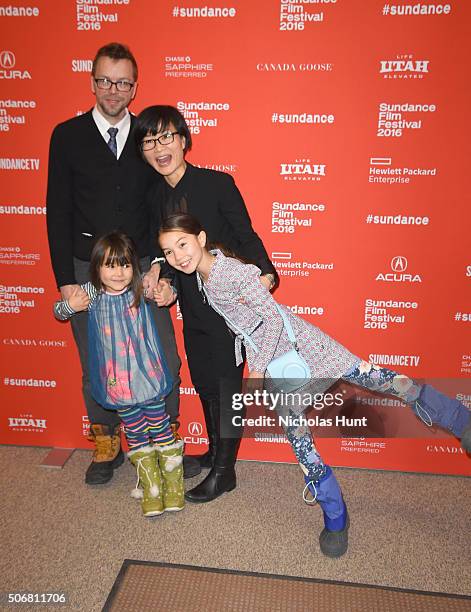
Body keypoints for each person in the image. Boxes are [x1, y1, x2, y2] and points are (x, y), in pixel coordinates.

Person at [158, 213, 471, 557]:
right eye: (170, 252)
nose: (178, 256)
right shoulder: (205, 276)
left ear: (200, 238)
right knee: (300, 440)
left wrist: (256, 373)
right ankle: (336, 516)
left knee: (381, 380)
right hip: (279, 365)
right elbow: (249, 324)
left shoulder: (228, 272)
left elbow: (272, 317)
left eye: (182, 244)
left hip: (302, 346)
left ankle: (459, 419)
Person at [46, 43, 185, 485]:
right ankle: (106, 442)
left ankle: (167, 440)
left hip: (143, 262)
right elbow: (58, 211)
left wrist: (160, 264)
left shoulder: (149, 137)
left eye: (122, 82)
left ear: (134, 87)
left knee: (161, 352)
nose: (113, 90)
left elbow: (165, 204)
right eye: (104, 80)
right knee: (97, 359)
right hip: (87, 266)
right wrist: (65, 281)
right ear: (92, 81)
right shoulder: (66, 136)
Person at [134, 105, 278, 503]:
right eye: (149, 141)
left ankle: (224, 472)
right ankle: (216, 452)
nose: (159, 147)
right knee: (204, 382)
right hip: (193, 306)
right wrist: (163, 280)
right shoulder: (153, 196)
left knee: (228, 387)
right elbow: (160, 250)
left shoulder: (217, 184)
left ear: (183, 140)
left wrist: (267, 271)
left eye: (166, 137)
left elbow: (245, 234)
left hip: (228, 303)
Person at [54, 232, 185, 516]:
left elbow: (167, 294)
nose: (119, 273)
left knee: (161, 427)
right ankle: (150, 488)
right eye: (110, 266)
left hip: (147, 377)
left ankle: (173, 485)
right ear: (97, 267)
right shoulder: (91, 293)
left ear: (133, 267)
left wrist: (168, 293)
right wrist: (70, 306)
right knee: (136, 433)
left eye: (125, 265)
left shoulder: (139, 287)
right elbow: (59, 311)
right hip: (118, 383)